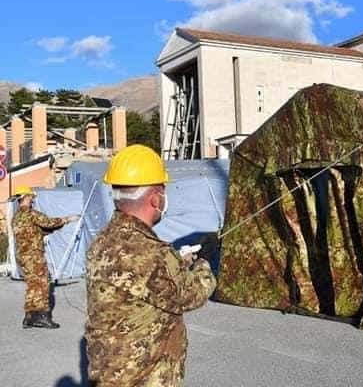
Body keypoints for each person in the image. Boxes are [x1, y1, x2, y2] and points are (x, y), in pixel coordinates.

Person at [85, 144, 216, 386]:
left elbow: (143, 281)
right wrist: (205, 263)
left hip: (107, 371)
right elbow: (192, 294)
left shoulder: (102, 242)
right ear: (155, 198)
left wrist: (180, 260)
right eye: (164, 191)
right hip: (143, 376)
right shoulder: (152, 253)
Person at [11, 185, 78, 329]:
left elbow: (36, 231)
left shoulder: (16, 218)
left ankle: (29, 316)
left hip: (22, 256)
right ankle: (42, 315)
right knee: (42, 284)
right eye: (31, 198)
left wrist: (49, 231)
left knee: (32, 285)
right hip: (33, 255)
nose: (32, 201)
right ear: (25, 198)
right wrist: (67, 219)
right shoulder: (31, 214)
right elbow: (48, 223)